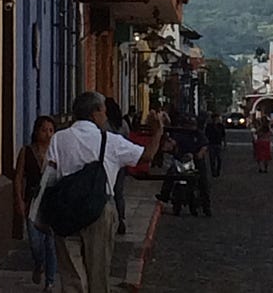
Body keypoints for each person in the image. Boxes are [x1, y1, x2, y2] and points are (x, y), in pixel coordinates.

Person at [45, 91, 163, 293]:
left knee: (71, 273)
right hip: (99, 209)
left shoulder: (59, 138)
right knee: (98, 270)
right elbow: (147, 156)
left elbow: (49, 175)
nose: (106, 116)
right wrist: (158, 131)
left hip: (65, 208)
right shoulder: (110, 141)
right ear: (94, 113)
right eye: (103, 111)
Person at [14, 115, 57, 291]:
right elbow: (18, 178)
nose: (47, 134)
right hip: (33, 201)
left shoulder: (56, 153)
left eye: (51, 130)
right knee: (35, 242)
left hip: (52, 202)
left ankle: (50, 281)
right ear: (36, 131)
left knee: (51, 243)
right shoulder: (26, 151)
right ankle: (38, 263)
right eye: (44, 130)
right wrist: (19, 199)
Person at [156, 116, 212, 216]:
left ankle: (206, 207)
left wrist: (199, 154)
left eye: (191, 125)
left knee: (203, 182)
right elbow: (172, 143)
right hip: (180, 159)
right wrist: (168, 146)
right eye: (187, 125)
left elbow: (204, 146)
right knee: (170, 175)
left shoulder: (198, 134)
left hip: (195, 161)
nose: (189, 127)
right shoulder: (179, 133)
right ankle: (164, 195)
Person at [105, 97, 129, 235]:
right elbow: (127, 140)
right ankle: (121, 219)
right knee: (119, 193)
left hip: (107, 163)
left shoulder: (104, 125)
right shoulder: (123, 124)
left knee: (106, 192)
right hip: (120, 162)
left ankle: (107, 221)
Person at [204, 113, 227, 177]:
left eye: (217, 118)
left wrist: (224, 143)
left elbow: (223, 135)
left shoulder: (221, 126)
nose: (216, 120)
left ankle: (218, 171)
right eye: (215, 118)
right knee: (212, 159)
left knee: (219, 159)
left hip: (218, 144)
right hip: (211, 144)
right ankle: (213, 172)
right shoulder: (209, 126)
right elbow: (206, 135)